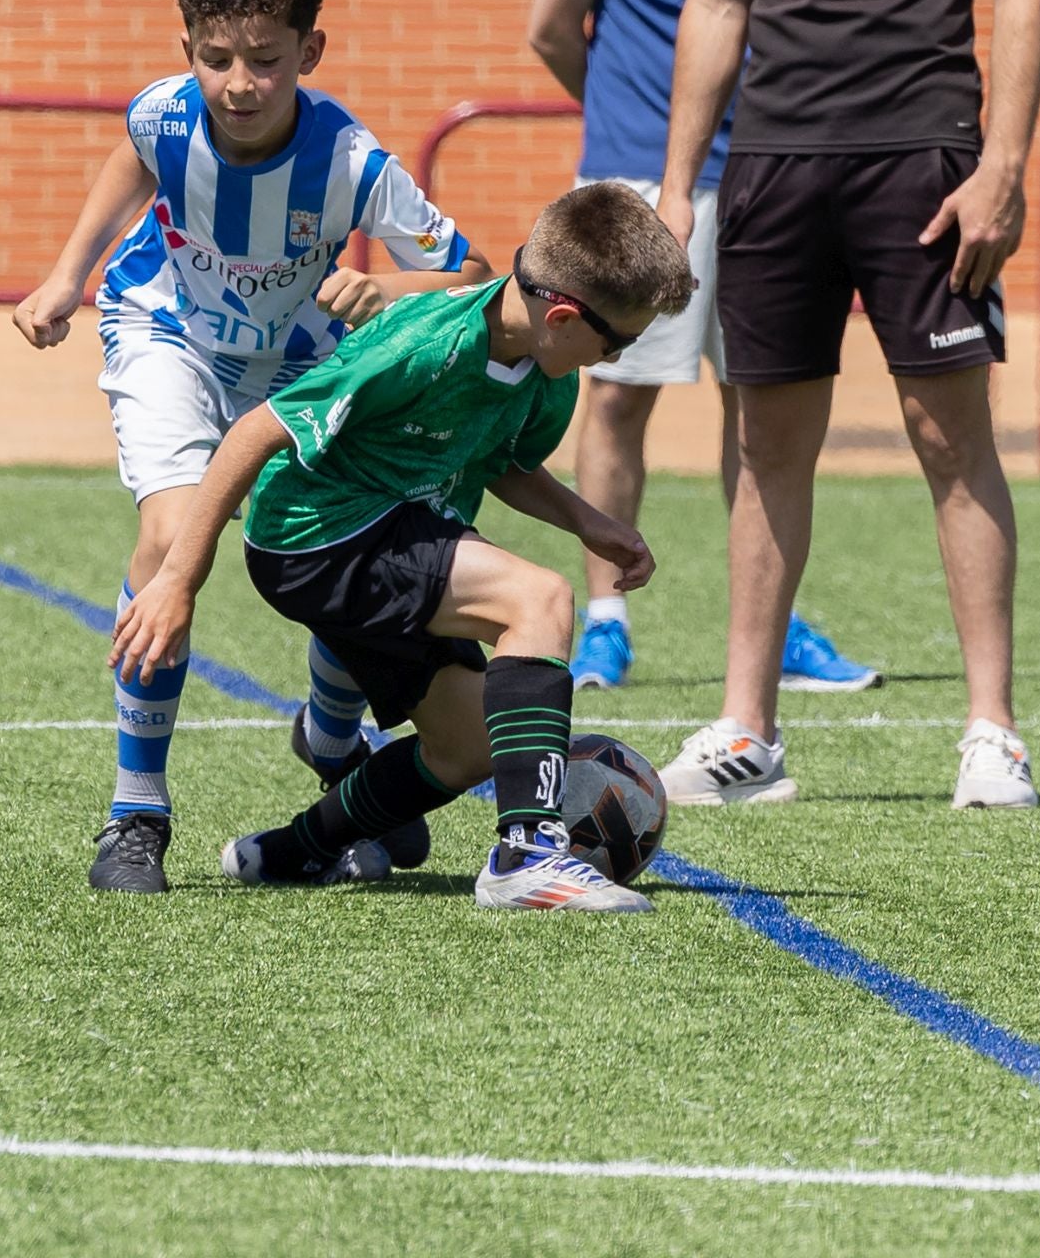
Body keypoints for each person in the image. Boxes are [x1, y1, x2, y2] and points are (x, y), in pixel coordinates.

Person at [655, 0, 1040, 810]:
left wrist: (1002, 163)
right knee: (767, 441)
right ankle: (746, 733)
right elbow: (718, 1)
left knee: (953, 437)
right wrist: (677, 185)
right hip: (773, 161)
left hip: (925, 156)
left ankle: (990, 732)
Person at [12, 0, 491, 891]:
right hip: (166, 332)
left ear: (309, 54)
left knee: (341, 541)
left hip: (296, 358)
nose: (238, 81)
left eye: (266, 60)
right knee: (170, 536)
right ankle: (136, 813)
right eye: (215, 56)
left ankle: (329, 736)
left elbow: (471, 271)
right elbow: (132, 161)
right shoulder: (164, 114)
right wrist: (68, 274)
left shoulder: (350, 159)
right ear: (187, 47)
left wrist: (388, 292)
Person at [108, 182, 696, 913]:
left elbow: (502, 463)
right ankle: (528, 853)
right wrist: (178, 579)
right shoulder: (423, 342)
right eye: (619, 341)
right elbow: (256, 432)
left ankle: (291, 852)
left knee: (467, 747)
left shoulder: (548, 374)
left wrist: (591, 524)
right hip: (317, 537)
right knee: (538, 598)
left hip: (399, 533)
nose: (617, 356)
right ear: (566, 315)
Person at [528, 0, 877, 698]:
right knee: (621, 397)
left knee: (760, 404)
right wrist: (632, 116)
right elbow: (549, 27)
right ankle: (602, 619)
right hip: (644, 180)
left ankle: (774, 629)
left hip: (774, 173)